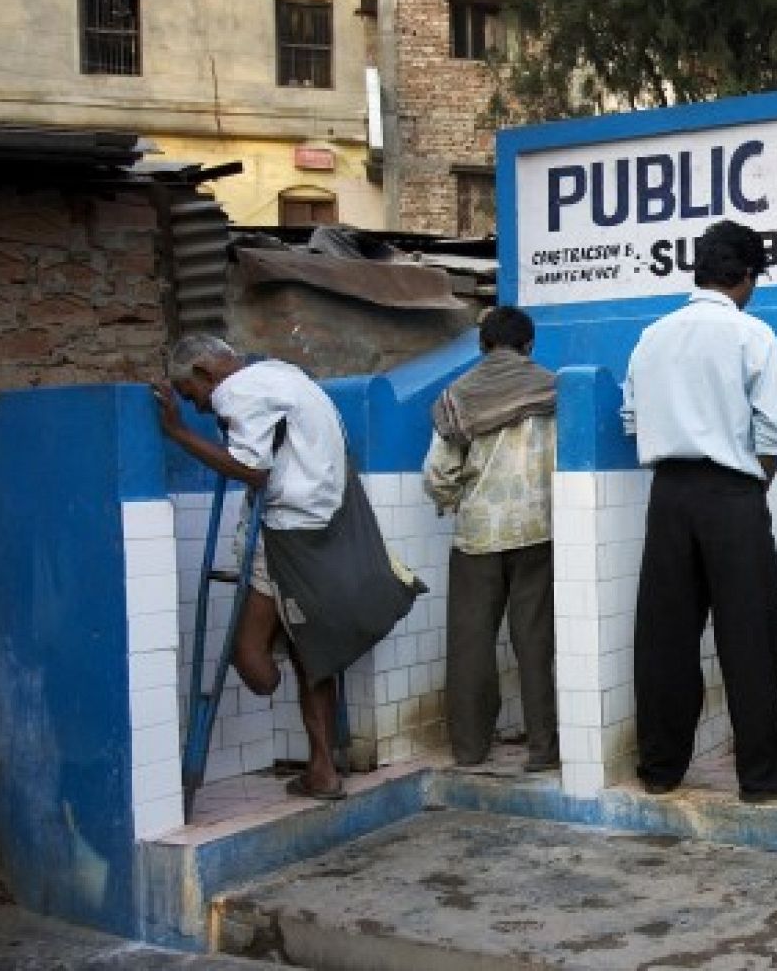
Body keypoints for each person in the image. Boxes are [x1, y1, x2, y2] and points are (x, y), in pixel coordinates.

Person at [153, 336, 421, 800]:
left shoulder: (238, 391)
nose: (198, 406)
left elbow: (251, 470)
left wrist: (178, 434)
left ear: (202, 373)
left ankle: (288, 689)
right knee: (308, 655)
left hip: (286, 535)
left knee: (252, 664)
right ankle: (322, 770)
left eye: (192, 394)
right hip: (324, 526)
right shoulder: (282, 374)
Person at [620, 219, 777, 805]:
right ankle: (763, 775)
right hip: (732, 494)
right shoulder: (752, 334)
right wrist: (752, 488)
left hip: (668, 494)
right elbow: (774, 426)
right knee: (749, 637)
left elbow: (631, 420)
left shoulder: (651, 336)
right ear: (743, 276)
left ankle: (660, 768)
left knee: (664, 638)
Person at [423, 307, 559, 771]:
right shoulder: (554, 389)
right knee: (536, 642)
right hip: (539, 531)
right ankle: (543, 748)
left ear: (482, 346)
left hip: (478, 533)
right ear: (528, 346)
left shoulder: (458, 396)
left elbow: (439, 473)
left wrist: (455, 498)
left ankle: (469, 747)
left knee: (471, 644)